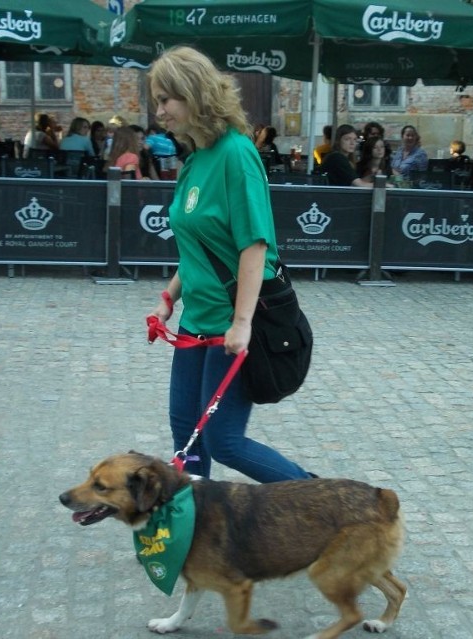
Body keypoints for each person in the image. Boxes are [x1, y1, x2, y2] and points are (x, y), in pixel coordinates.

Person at [146, 45, 313, 482]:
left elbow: (254, 246)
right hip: (193, 321)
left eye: (166, 99)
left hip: (228, 325)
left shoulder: (237, 154)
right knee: (185, 435)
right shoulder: (194, 160)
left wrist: (241, 323)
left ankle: (319, 503)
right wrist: (168, 297)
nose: (159, 111)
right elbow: (196, 247)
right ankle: (195, 527)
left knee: (225, 441)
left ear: (195, 94)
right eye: (157, 101)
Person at [322, 124, 375, 188]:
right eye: (347, 139)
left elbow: (352, 181)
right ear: (338, 141)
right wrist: (383, 186)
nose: (352, 143)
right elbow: (359, 184)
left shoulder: (345, 159)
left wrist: (372, 176)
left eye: (355, 139)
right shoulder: (337, 158)